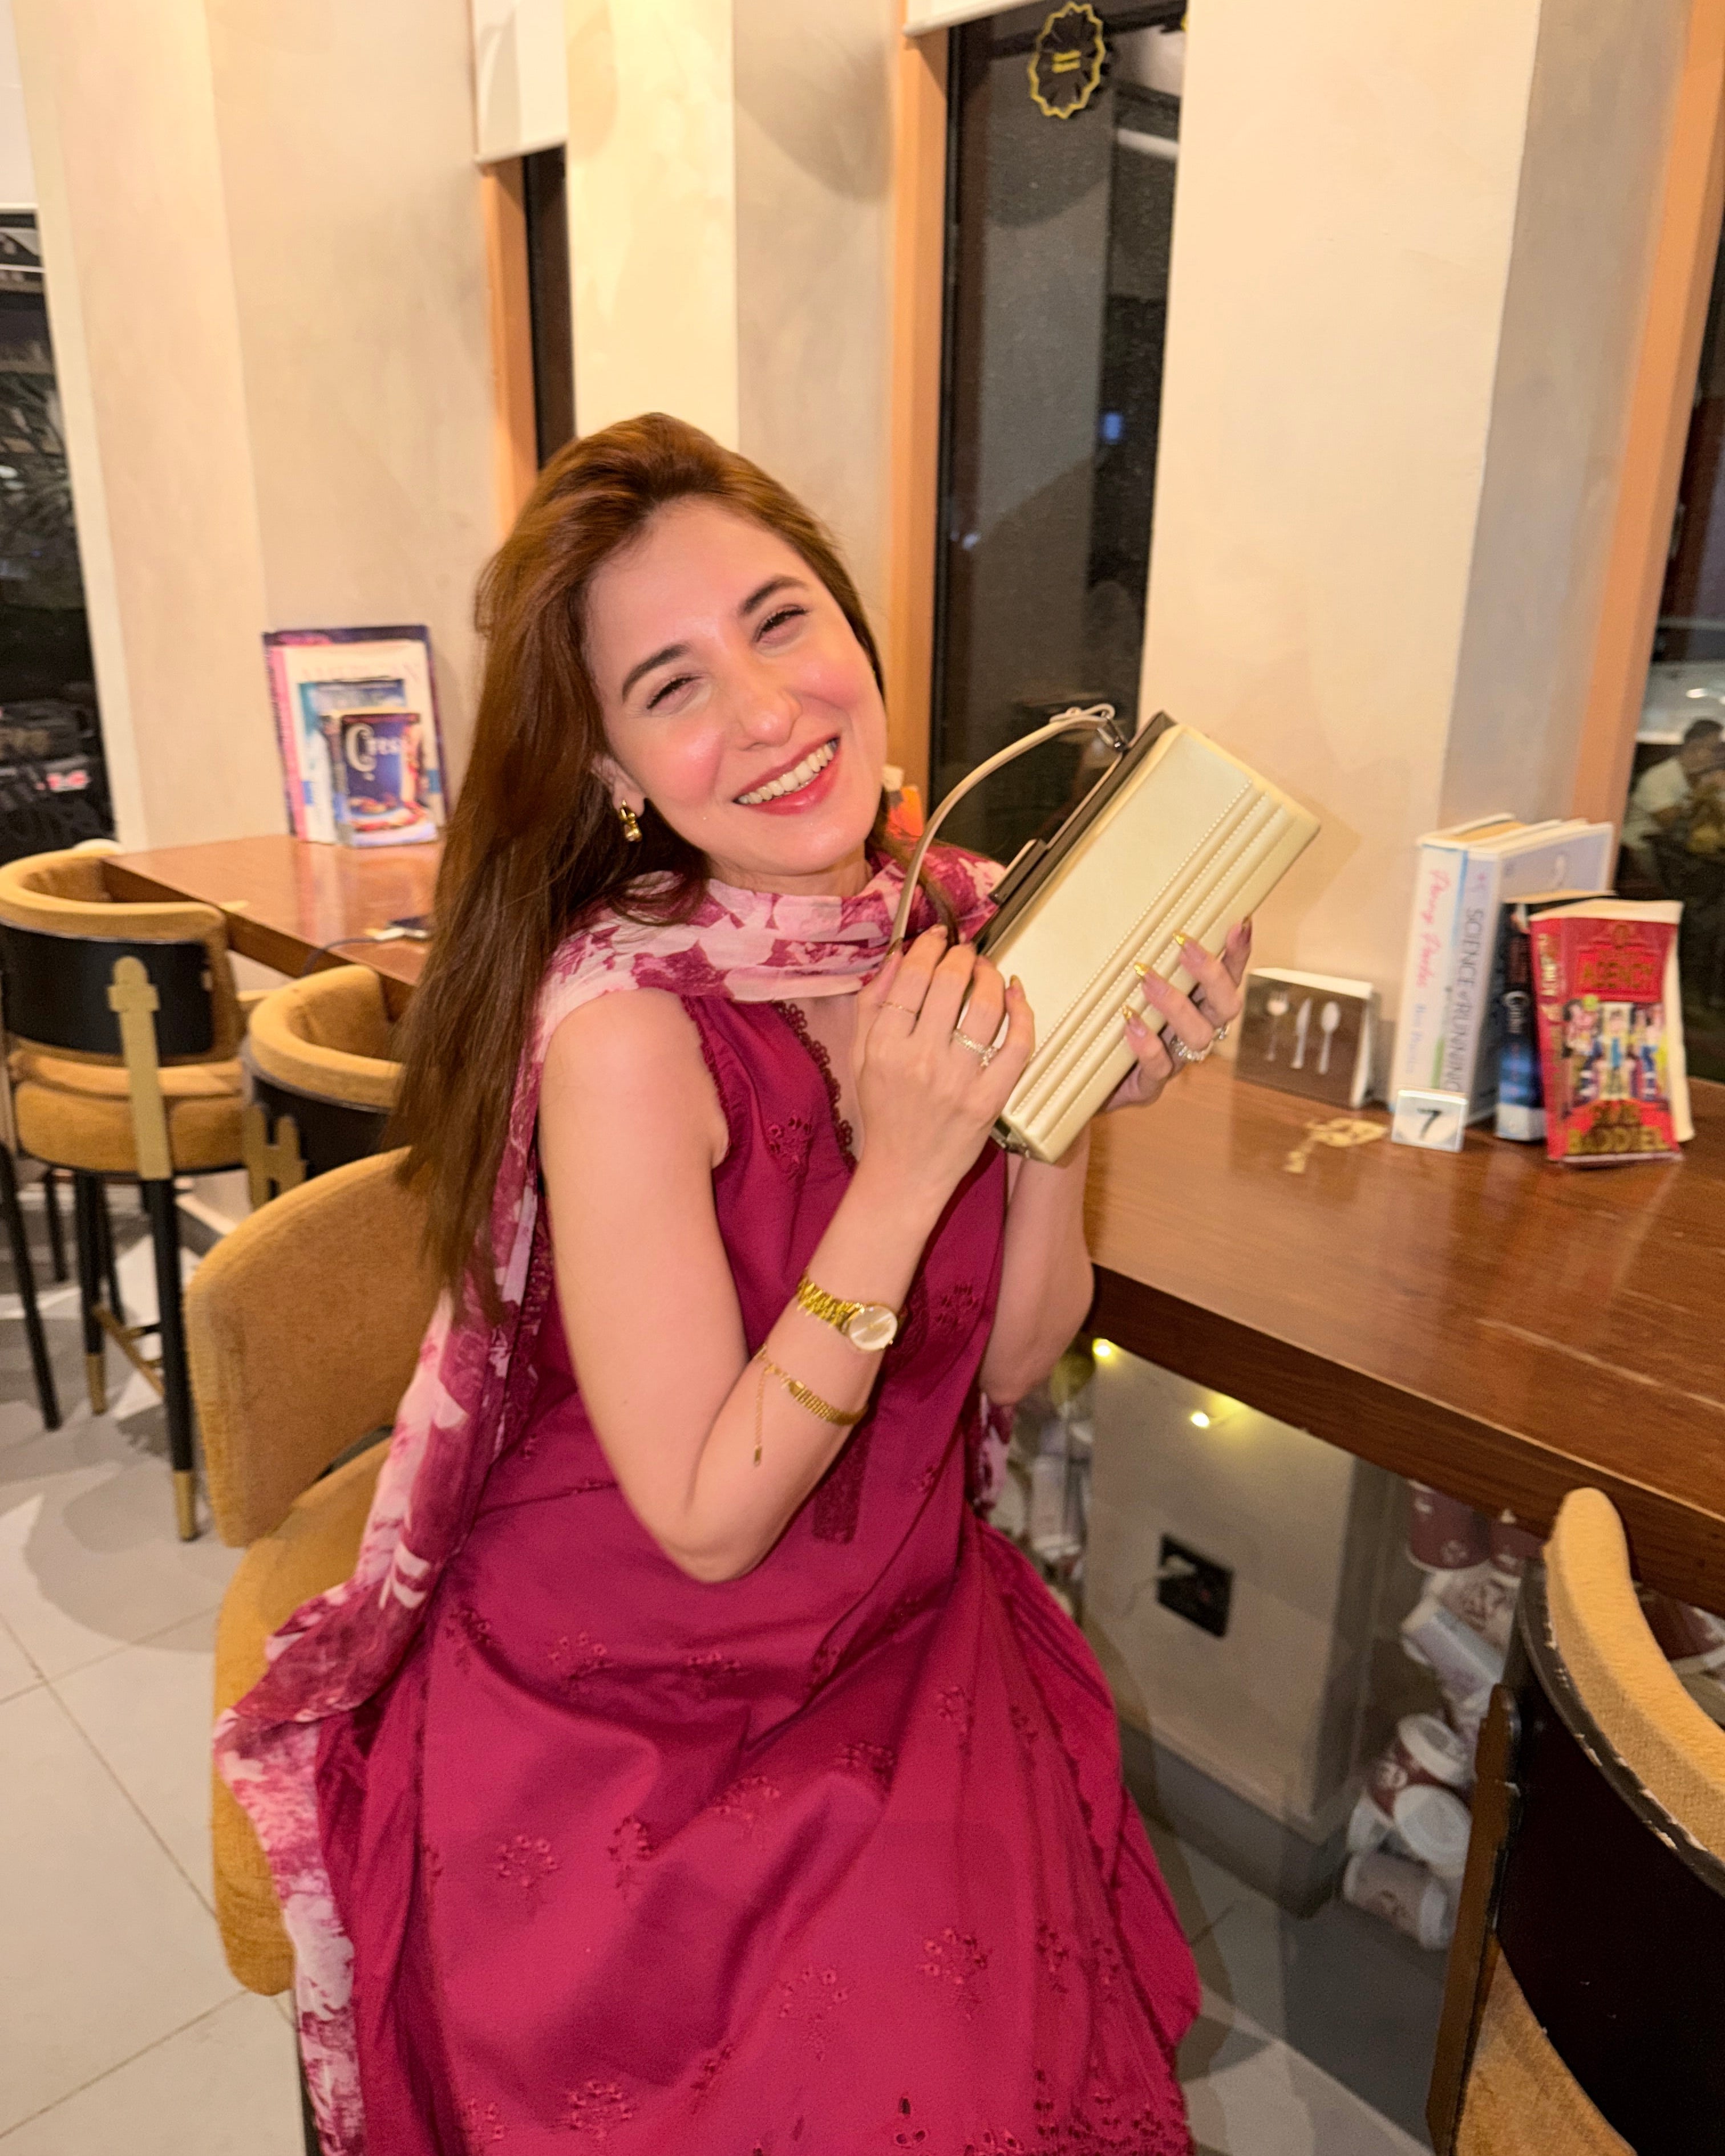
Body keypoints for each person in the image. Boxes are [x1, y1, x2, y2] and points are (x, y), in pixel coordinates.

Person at [218, 415, 1241, 2156]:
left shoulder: (952, 922)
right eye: (672, 685)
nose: (768, 711)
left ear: (855, 628)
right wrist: (906, 1172)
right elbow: (702, 1520)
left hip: (898, 1619)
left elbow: (1004, 1363)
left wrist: (1062, 1092)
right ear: (614, 766)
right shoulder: (628, 1031)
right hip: (638, 1689)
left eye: (781, 622)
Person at [1621, 715, 1724, 881]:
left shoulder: (1708, 778)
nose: (1721, 755)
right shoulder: (1659, 777)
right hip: (1643, 852)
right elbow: (1672, 823)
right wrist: (1703, 793)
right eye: (1717, 749)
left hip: (1687, 851)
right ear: (1694, 747)